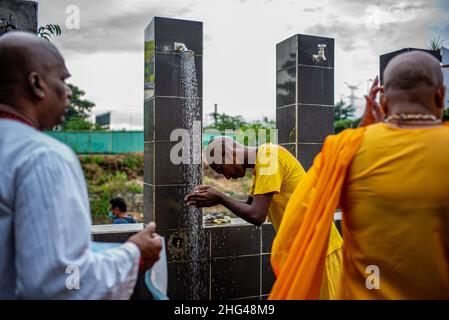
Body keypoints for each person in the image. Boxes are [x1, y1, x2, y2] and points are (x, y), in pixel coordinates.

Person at [270, 51, 449, 299]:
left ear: (383, 100)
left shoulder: (345, 151)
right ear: (440, 96)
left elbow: (294, 226)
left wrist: (361, 134)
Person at [0, 32, 162, 299]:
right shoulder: (42, 156)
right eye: (63, 80)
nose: (68, 91)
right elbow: (61, 284)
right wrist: (133, 253)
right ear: (36, 84)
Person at [185, 137, 343, 299]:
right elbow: (249, 207)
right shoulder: (261, 164)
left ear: (226, 154)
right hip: (306, 253)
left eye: (221, 169)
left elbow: (256, 215)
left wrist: (220, 198)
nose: (226, 177)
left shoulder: (269, 157)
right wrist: (217, 197)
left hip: (321, 252)